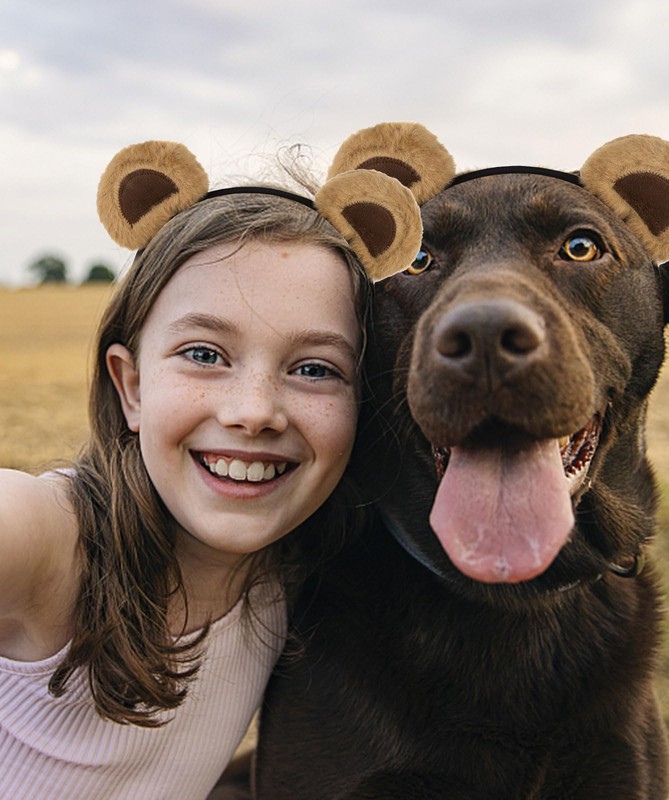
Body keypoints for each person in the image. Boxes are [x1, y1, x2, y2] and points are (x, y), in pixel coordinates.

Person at [0, 130, 424, 799]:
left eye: (315, 368)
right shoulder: (47, 541)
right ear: (131, 385)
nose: (254, 412)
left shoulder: (299, 576)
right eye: (204, 354)